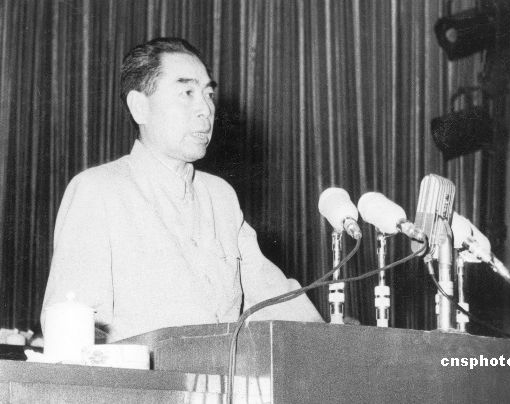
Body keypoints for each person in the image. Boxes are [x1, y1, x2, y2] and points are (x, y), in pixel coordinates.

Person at [41, 37, 323, 342]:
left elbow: (273, 296)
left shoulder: (220, 196)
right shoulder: (98, 190)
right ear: (139, 107)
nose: (206, 109)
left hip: (225, 372)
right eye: (187, 93)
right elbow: (72, 331)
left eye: (209, 94)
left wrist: (330, 340)